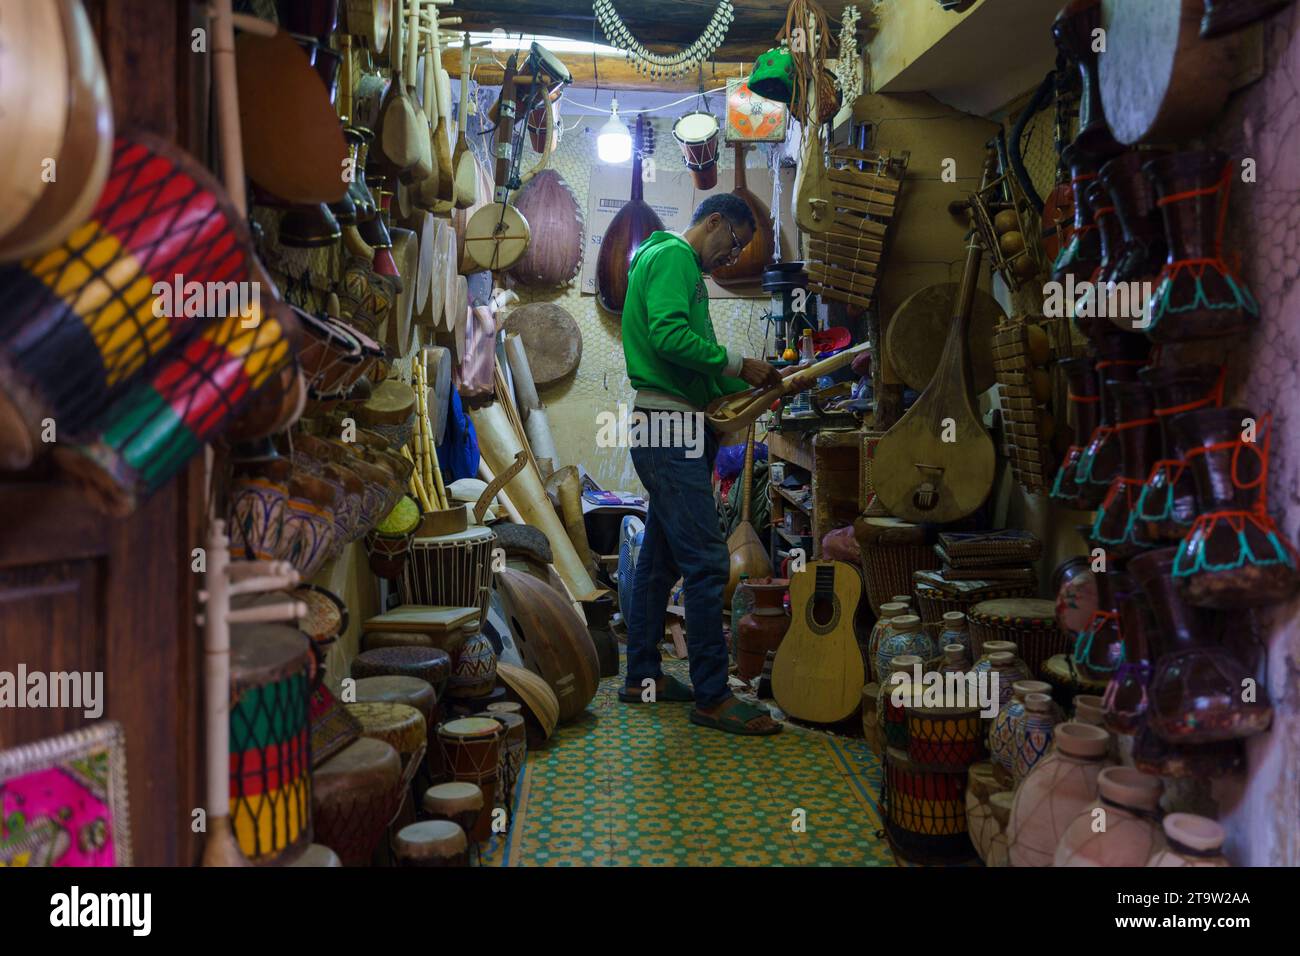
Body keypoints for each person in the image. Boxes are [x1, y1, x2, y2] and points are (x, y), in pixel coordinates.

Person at [618, 193, 786, 735]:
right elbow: (669, 337)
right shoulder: (673, 257)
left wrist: (755, 381)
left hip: (673, 427)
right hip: (669, 430)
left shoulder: (675, 264)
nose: (731, 258)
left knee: (660, 563)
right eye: (732, 242)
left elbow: (705, 373)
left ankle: (644, 676)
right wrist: (741, 362)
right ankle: (713, 697)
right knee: (710, 562)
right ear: (712, 222)